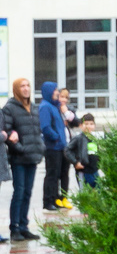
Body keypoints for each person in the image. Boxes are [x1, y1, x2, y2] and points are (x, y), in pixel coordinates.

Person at [2, 79, 40, 240]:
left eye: (28, 85)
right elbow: (7, 132)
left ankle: (24, 226)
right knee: (19, 192)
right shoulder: (10, 108)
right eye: (22, 86)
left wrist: (40, 148)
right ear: (16, 89)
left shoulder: (34, 108)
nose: (26, 89)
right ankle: (15, 228)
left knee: (28, 192)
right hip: (19, 158)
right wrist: (20, 148)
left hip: (33, 156)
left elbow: (38, 130)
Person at [38, 82, 71, 211]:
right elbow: (45, 127)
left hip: (60, 146)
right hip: (53, 147)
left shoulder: (54, 106)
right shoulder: (45, 107)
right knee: (52, 175)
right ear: (49, 91)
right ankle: (48, 201)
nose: (57, 92)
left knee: (58, 174)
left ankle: (55, 198)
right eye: (55, 90)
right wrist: (56, 137)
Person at [71, 114, 101, 188]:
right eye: (86, 124)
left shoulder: (94, 139)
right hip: (83, 171)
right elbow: (67, 150)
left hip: (94, 170)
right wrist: (75, 162)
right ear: (81, 125)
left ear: (94, 126)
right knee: (85, 191)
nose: (89, 126)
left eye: (91, 124)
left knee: (98, 190)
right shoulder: (78, 138)